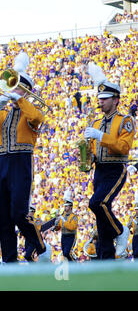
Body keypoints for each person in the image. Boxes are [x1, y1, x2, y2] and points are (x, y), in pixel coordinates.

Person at [0, 51, 47, 263]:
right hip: (4, 164)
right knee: (4, 217)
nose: (11, 90)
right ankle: (9, 260)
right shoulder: (3, 114)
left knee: (19, 214)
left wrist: (20, 99)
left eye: (16, 87)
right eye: (11, 86)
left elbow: (36, 117)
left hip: (22, 163)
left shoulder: (31, 111)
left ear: (24, 90)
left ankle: (40, 246)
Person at [84, 62, 135, 259]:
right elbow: (92, 151)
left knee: (98, 203)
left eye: (105, 99)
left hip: (115, 169)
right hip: (99, 170)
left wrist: (100, 136)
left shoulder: (125, 120)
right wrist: (86, 155)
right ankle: (106, 258)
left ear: (116, 100)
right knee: (100, 215)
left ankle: (121, 232)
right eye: (100, 98)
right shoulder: (96, 122)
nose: (101, 102)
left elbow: (123, 147)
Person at [54, 190, 78, 261]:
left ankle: (74, 265)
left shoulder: (74, 216)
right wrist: (56, 225)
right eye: (64, 206)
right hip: (63, 236)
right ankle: (70, 268)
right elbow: (58, 228)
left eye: (66, 206)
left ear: (71, 207)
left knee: (68, 253)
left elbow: (73, 227)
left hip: (71, 236)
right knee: (64, 254)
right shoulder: (63, 215)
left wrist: (64, 221)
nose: (65, 208)